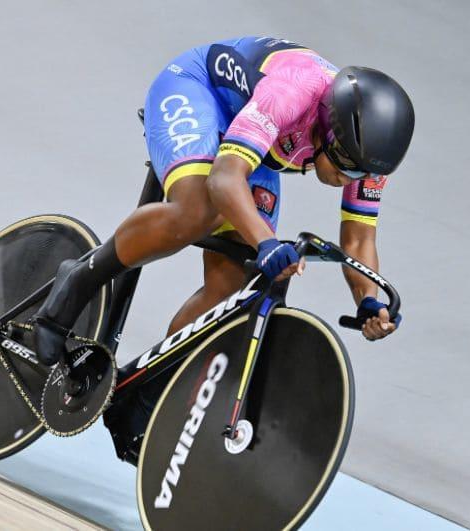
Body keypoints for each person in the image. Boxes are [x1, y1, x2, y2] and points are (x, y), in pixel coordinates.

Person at [33, 36, 414, 462]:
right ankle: (80, 277)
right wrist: (267, 243)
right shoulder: (294, 91)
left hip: (257, 146)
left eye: (361, 173)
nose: (351, 180)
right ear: (329, 129)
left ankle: (143, 395)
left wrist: (368, 300)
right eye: (345, 167)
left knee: (239, 284)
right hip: (199, 93)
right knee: (200, 210)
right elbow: (225, 180)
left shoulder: (369, 154)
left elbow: (359, 239)